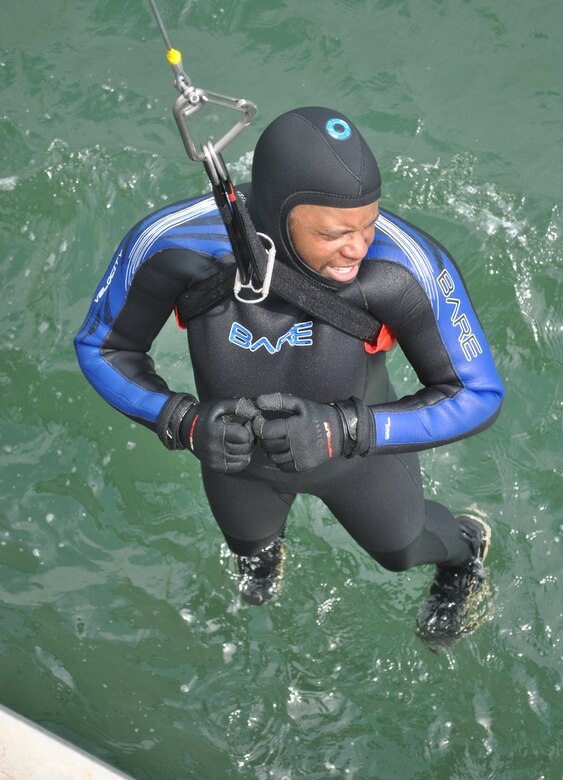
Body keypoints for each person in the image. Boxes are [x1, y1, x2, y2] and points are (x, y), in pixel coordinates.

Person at [75, 106, 504, 649]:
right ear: (279, 214)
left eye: (368, 225)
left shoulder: (403, 267)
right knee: (251, 561)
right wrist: (181, 420)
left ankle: (466, 547)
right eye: (335, 233)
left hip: (356, 460)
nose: (358, 248)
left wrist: (342, 431)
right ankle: (266, 553)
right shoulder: (174, 246)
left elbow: (478, 393)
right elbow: (103, 346)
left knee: (401, 551)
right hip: (235, 464)